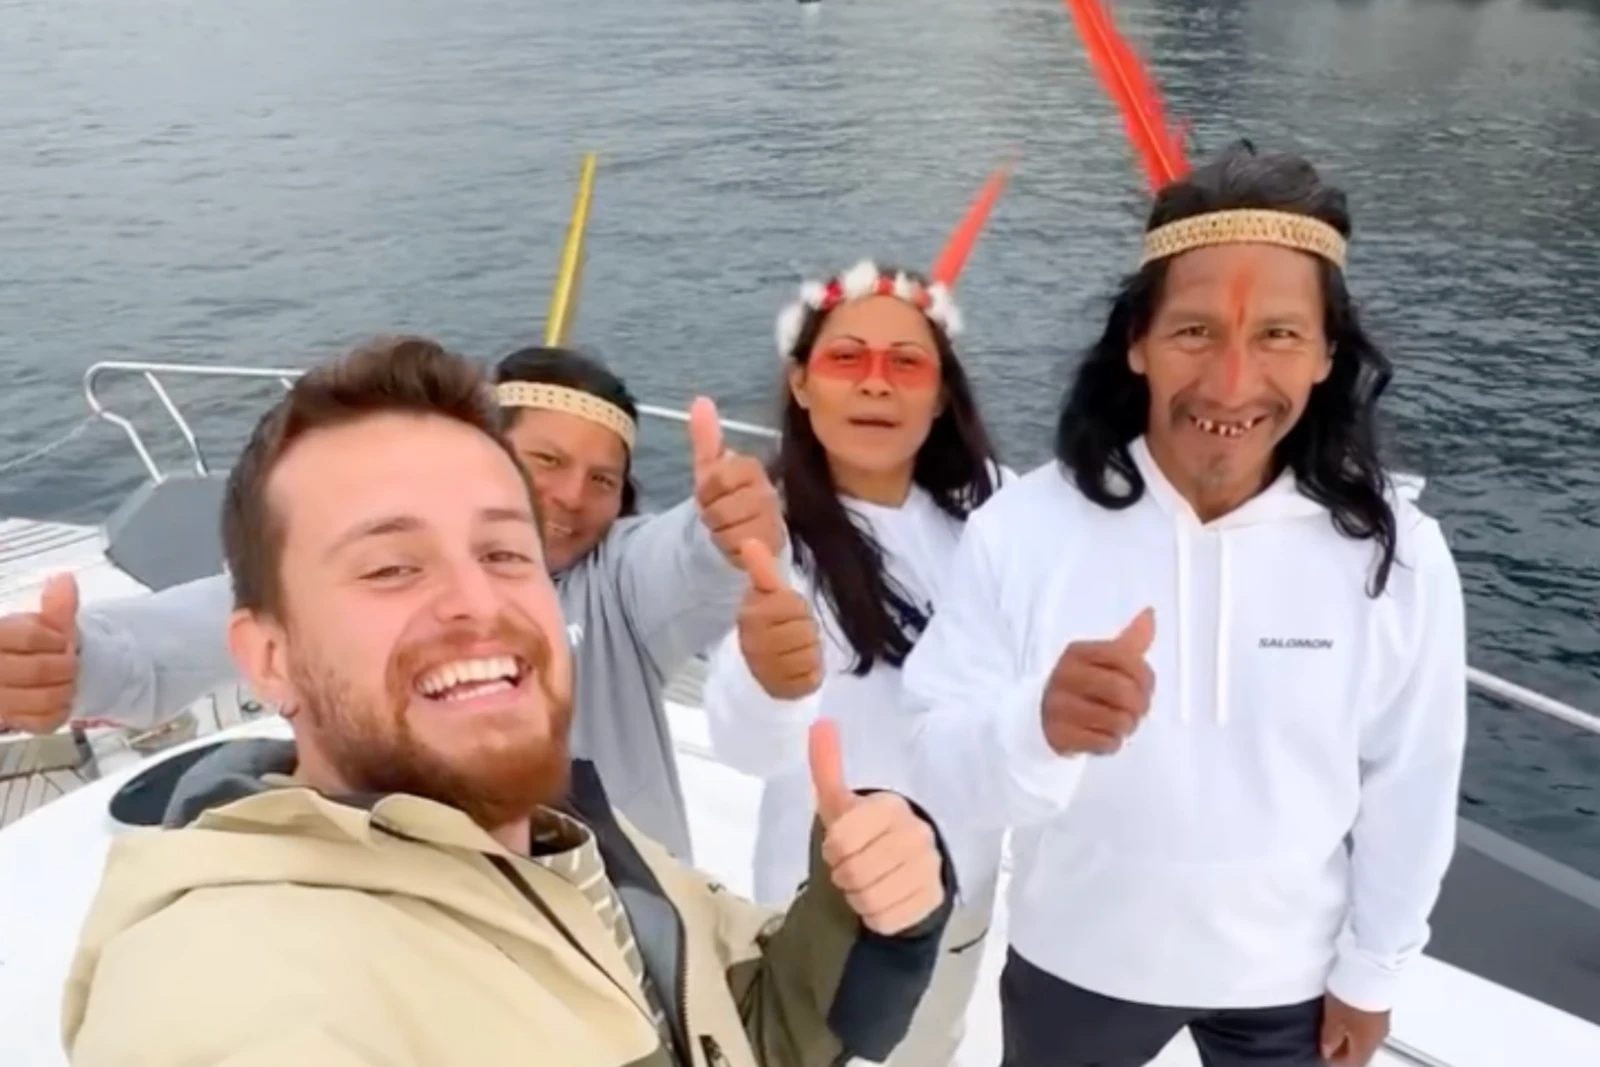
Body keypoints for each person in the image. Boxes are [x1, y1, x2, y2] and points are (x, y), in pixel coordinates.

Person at [62, 336, 955, 1067]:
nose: (477, 600)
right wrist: (70, 662)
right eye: (391, 566)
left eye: (502, 552)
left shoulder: (593, 847)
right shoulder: (235, 966)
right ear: (269, 656)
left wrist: (871, 902)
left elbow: (745, 1020)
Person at [902, 143, 1468, 1067]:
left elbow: (1412, 780)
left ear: (1328, 353)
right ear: (1138, 343)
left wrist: (1376, 968)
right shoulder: (1024, 528)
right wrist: (1033, 727)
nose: (1232, 384)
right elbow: (934, 757)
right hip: (1076, 957)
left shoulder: (1394, 555)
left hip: (1294, 977)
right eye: (1196, 331)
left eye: (1279, 334)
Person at [0, 345, 778, 860]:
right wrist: (76, 664)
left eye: (602, 478)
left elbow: (685, 558)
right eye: (545, 459)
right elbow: (173, 642)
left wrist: (723, 526)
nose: (573, 495)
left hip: (619, 914)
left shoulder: (619, 579)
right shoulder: (346, 574)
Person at [702, 257, 1008, 1067]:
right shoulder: (765, 539)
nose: (876, 383)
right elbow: (746, 745)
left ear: (940, 394)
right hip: (825, 912)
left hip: (956, 895)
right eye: (847, 359)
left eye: (905, 362)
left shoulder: (998, 521)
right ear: (801, 383)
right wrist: (773, 679)